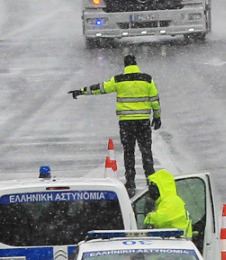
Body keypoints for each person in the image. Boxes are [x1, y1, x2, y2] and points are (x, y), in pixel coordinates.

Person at [69, 54, 161, 193]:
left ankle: (130, 183)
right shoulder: (147, 79)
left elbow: (100, 88)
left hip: (126, 123)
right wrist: (157, 117)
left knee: (128, 153)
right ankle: (151, 182)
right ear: (136, 64)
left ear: (125, 65)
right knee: (146, 152)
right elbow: (155, 100)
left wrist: (81, 91)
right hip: (143, 122)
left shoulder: (119, 80)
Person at [142, 169, 192, 238]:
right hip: (175, 240)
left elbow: (159, 219)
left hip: (179, 242)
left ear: (161, 187)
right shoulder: (167, 201)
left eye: (153, 187)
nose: (151, 191)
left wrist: (149, 216)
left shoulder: (171, 201)